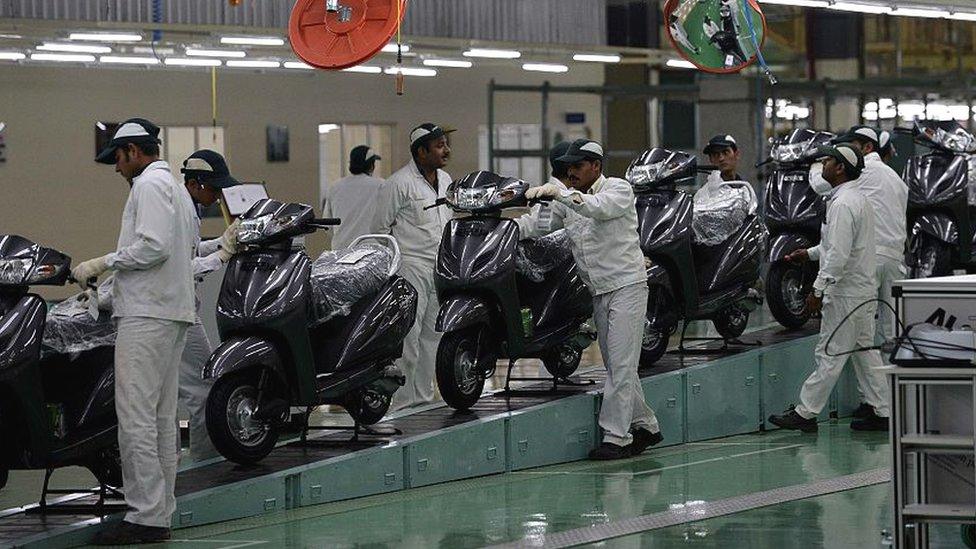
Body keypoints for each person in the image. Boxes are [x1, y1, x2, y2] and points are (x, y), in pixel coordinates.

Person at [73, 118, 197, 545]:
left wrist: (102, 262)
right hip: (170, 312)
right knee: (163, 420)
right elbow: (176, 253)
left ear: (133, 151)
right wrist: (108, 294)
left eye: (118, 159)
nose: (116, 168)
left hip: (148, 318)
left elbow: (153, 247)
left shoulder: (148, 185)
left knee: (136, 419)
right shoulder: (178, 190)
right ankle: (159, 514)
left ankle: (144, 516)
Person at [516, 138, 663, 460]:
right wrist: (507, 222)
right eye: (567, 168)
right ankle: (647, 426)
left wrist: (563, 195)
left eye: (578, 166)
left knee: (621, 366)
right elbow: (538, 226)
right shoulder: (567, 200)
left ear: (596, 166)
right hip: (598, 290)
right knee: (617, 365)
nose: (571, 172)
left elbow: (598, 209)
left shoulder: (618, 189)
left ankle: (616, 437)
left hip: (628, 286)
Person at [769, 143, 890, 433]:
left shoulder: (843, 204)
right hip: (861, 290)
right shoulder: (853, 199)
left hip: (846, 293)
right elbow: (836, 246)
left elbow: (838, 255)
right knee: (864, 353)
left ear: (840, 168)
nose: (822, 163)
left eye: (828, 159)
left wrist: (818, 289)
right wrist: (808, 254)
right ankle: (884, 411)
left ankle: (806, 412)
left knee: (830, 353)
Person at [375, 123, 454, 410]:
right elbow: (380, 230)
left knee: (433, 335)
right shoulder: (398, 184)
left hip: (440, 267)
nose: (446, 150)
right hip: (411, 268)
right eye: (439, 145)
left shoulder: (445, 179)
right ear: (421, 152)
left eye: (446, 144)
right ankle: (401, 402)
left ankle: (422, 400)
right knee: (409, 338)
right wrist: (390, 272)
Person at [179, 149, 243, 462]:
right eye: (214, 188)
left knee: (201, 386)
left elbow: (190, 250)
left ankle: (204, 459)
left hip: (181, 309)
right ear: (195, 183)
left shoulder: (189, 208)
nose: (218, 195)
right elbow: (177, 268)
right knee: (203, 389)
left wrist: (222, 240)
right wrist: (221, 256)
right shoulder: (179, 209)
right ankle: (205, 462)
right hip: (175, 311)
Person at [323, 145, 385, 250]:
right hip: (372, 250)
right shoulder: (382, 185)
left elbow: (327, 224)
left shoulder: (335, 187)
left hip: (341, 250)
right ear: (371, 166)